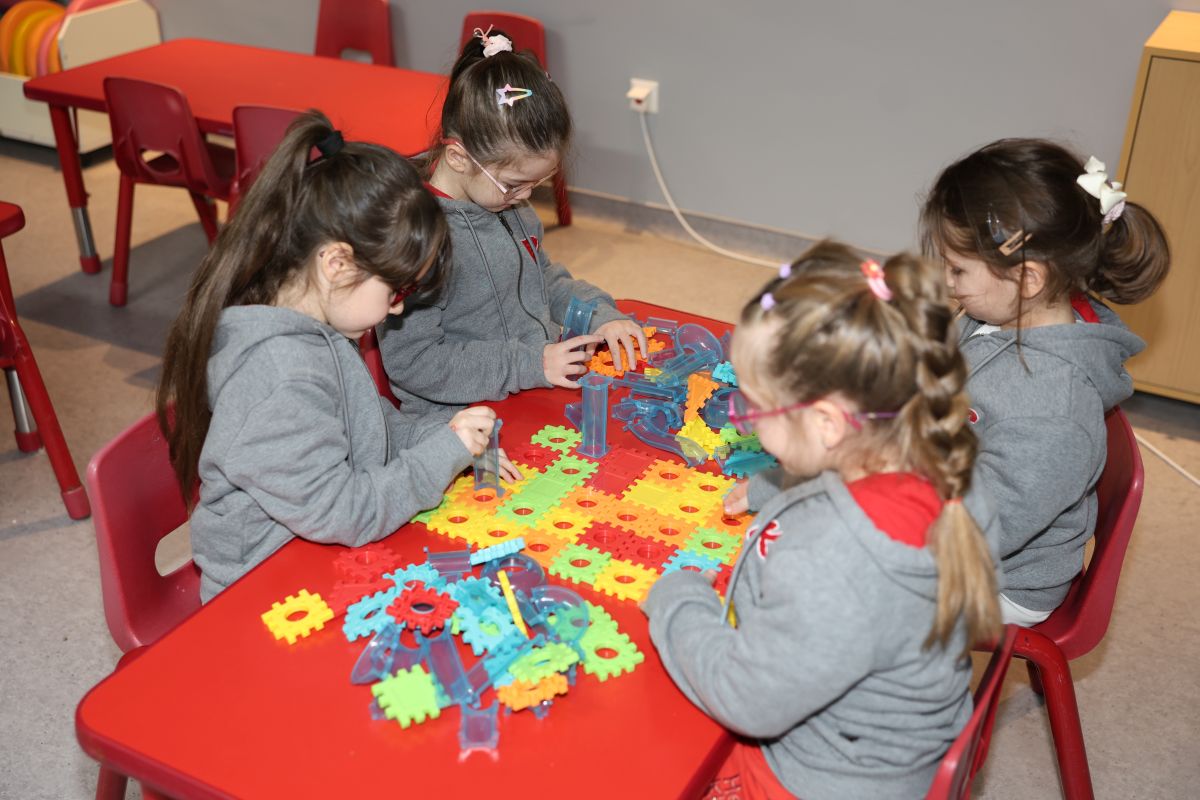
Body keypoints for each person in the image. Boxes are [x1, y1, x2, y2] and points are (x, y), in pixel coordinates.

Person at [644, 241, 1002, 799]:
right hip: (895, 752)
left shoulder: (829, 563)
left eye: (755, 408)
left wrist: (677, 601)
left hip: (815, 780)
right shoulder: (951, 470)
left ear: (829, 424)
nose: (746, 422)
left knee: (651, 752)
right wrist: (773, 484)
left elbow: (746, 697)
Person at [157, 110, 516, 603]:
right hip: (264, 591)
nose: (399, 308)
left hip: (316, 554)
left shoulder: (323, 328)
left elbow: (371, 425)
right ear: (337, 264)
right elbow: (347, 513)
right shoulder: (282, 376)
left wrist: (444, 438)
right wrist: (443, 454)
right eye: (397, 290)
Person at [920, 137, 1169, 625]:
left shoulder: (1054, 410)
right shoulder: (997, 314)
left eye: (958, 270)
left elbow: (983, 528)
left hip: (997, 575)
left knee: (825, 572)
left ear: (1028, 279)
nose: (946, 281)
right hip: (945, 490)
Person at [378, 26, 646, 418]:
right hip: (462, 419)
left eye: (538, 183)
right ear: (459, 158)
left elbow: (543, 280)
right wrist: (531, 364)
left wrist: (598, 315)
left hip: (529, 387)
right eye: (515, 184)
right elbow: (415, 363)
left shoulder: (509, 206)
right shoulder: (417, 242)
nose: (526, 197)